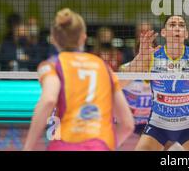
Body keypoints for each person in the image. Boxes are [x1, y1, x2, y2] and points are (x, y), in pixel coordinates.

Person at [23, 8, 134, 151]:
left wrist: (28, 147)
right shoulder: (103, 66)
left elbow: (49, 100)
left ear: (53, 38)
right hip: (100, 144)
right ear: (84, 37)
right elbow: (127, 124)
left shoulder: (52, 64)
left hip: (65, 144)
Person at [121, 15, 189, 151]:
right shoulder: (152, 56)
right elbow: (120, 83)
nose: (177, 27)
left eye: (181, 25)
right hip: (158, 126)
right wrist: (139, 59)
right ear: (164, 33)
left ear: (186, 34)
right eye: (172, 24)